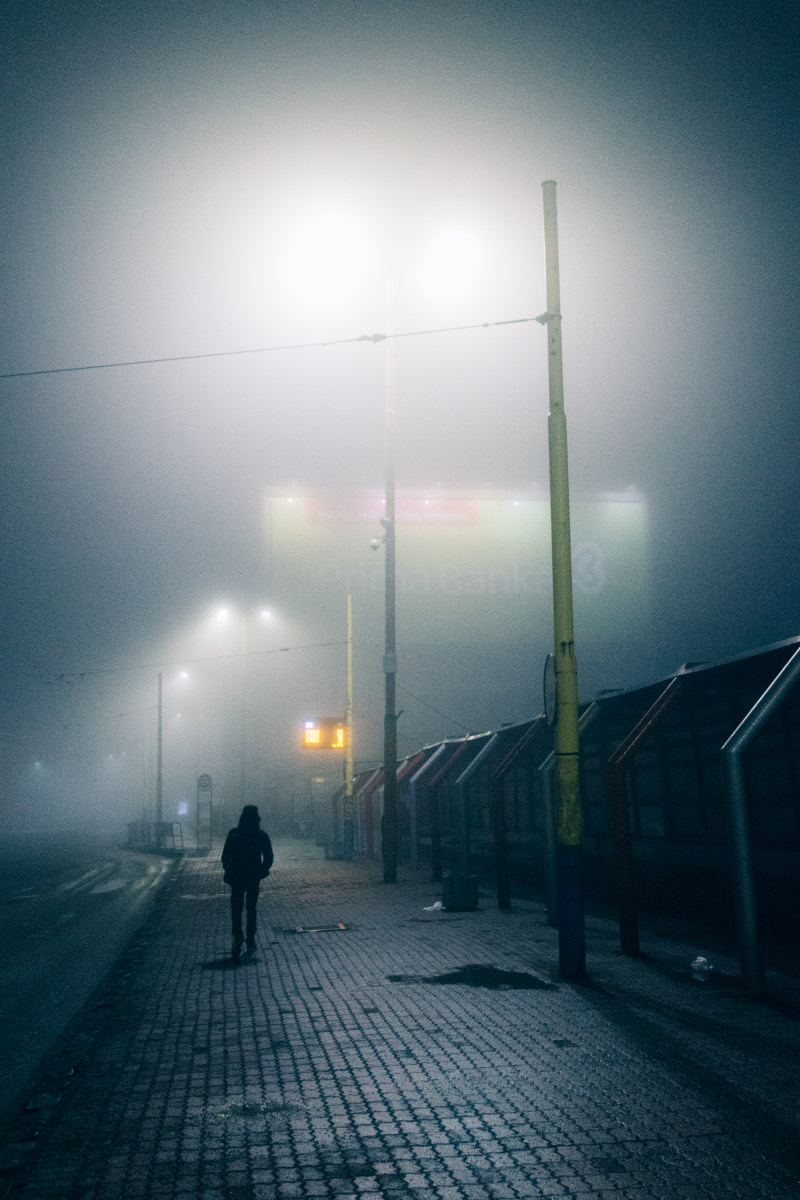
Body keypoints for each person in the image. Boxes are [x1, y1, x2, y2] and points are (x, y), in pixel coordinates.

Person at [221, 805, 274, 958]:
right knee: (251, 909)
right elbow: (269, 857)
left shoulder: (234, 834)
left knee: (236, 910)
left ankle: (237, 939)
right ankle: (250, 940)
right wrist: (262, 870)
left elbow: (225, 856)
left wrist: (229, 867)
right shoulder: (261, 835)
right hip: (253, 877)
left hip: (237, 877)